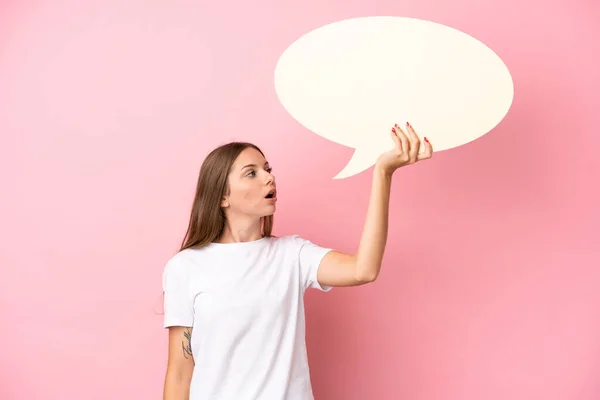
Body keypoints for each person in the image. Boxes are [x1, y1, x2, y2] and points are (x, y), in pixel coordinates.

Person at [161, 122, 433, 400]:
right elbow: (180, 374)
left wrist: (383, 172)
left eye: (268, 169)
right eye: (251, 173)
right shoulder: (186, 267)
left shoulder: (292, 254)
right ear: (222, 196)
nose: (268, 178)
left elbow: (363, 269)